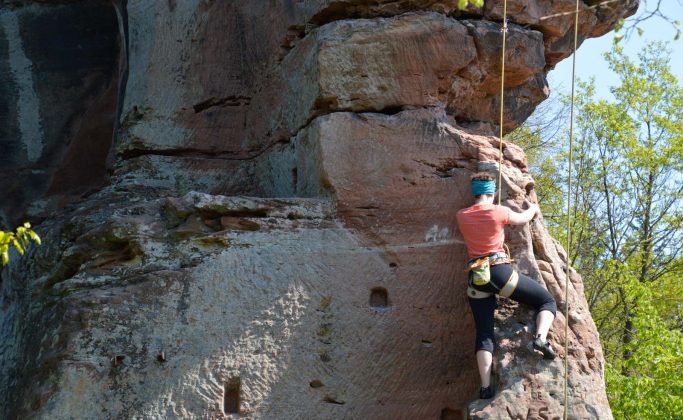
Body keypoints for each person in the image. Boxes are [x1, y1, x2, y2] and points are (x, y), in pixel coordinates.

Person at [456, 172, 557, 400]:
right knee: (547, 301)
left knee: (484, 334)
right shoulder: (498, 211)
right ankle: (540, 338)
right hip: (500, 272)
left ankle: (485, 387)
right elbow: (523, 218)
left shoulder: (461, 215)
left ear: (475, 193)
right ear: (491, 193)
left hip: (476, 278)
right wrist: (533, 208)